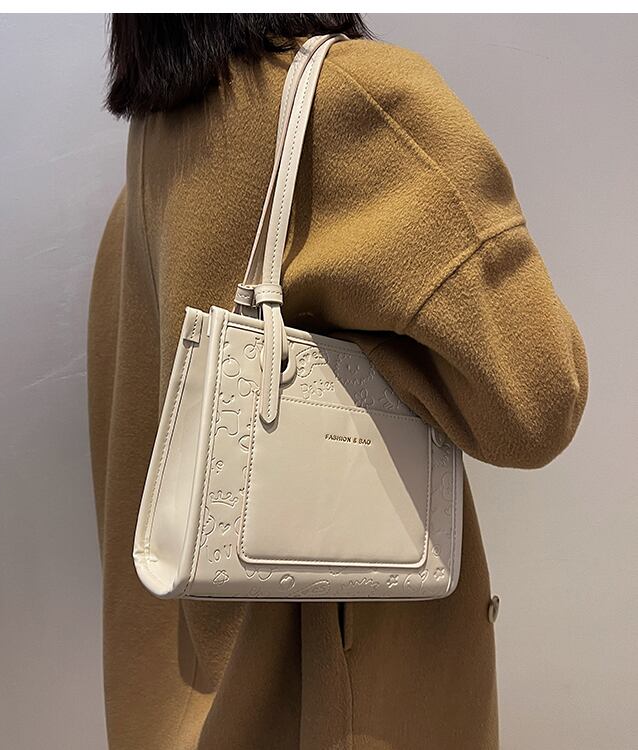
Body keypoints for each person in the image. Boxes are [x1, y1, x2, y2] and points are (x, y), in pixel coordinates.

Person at [88, 13, 588, 750]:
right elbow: (539, 405)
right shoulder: (353, 103)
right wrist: (392, 351)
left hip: (180, 713)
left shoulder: (149, 166)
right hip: (337, 711)